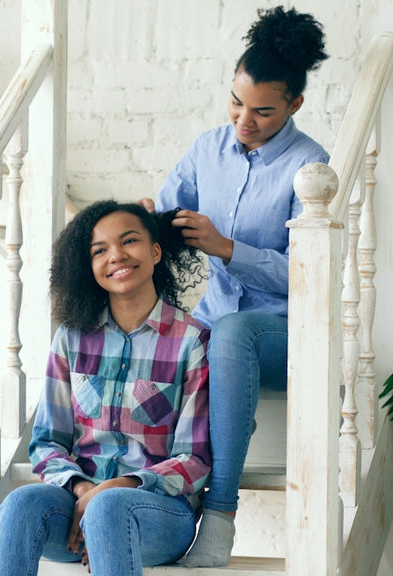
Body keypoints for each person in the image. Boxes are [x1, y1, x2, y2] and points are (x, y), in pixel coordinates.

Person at [139, 6, 330, 568]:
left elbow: (309, 274)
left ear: (294, 104)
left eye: (263, 111)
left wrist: (226, 247)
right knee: (168, 341)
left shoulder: (311, 165)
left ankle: (219, 514)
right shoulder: (206, 149)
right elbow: (171, 216)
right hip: (220, 327)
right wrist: (148, 218)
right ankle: (149, 501)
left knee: (231, 334)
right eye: (235, 102)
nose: (243, 121)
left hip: (284, 333)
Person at [0, 201, 211, 576]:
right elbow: (47, 443)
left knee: (109, 509)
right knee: (20, 502)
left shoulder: (192, 340)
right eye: (100, 250)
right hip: (78, 505)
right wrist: (82, 490)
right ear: (88, 267)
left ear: (155, 251)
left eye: (130, 241)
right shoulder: (70, 339)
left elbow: (195, 458)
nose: (116, 255)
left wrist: (114, 489)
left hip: (159, 512)